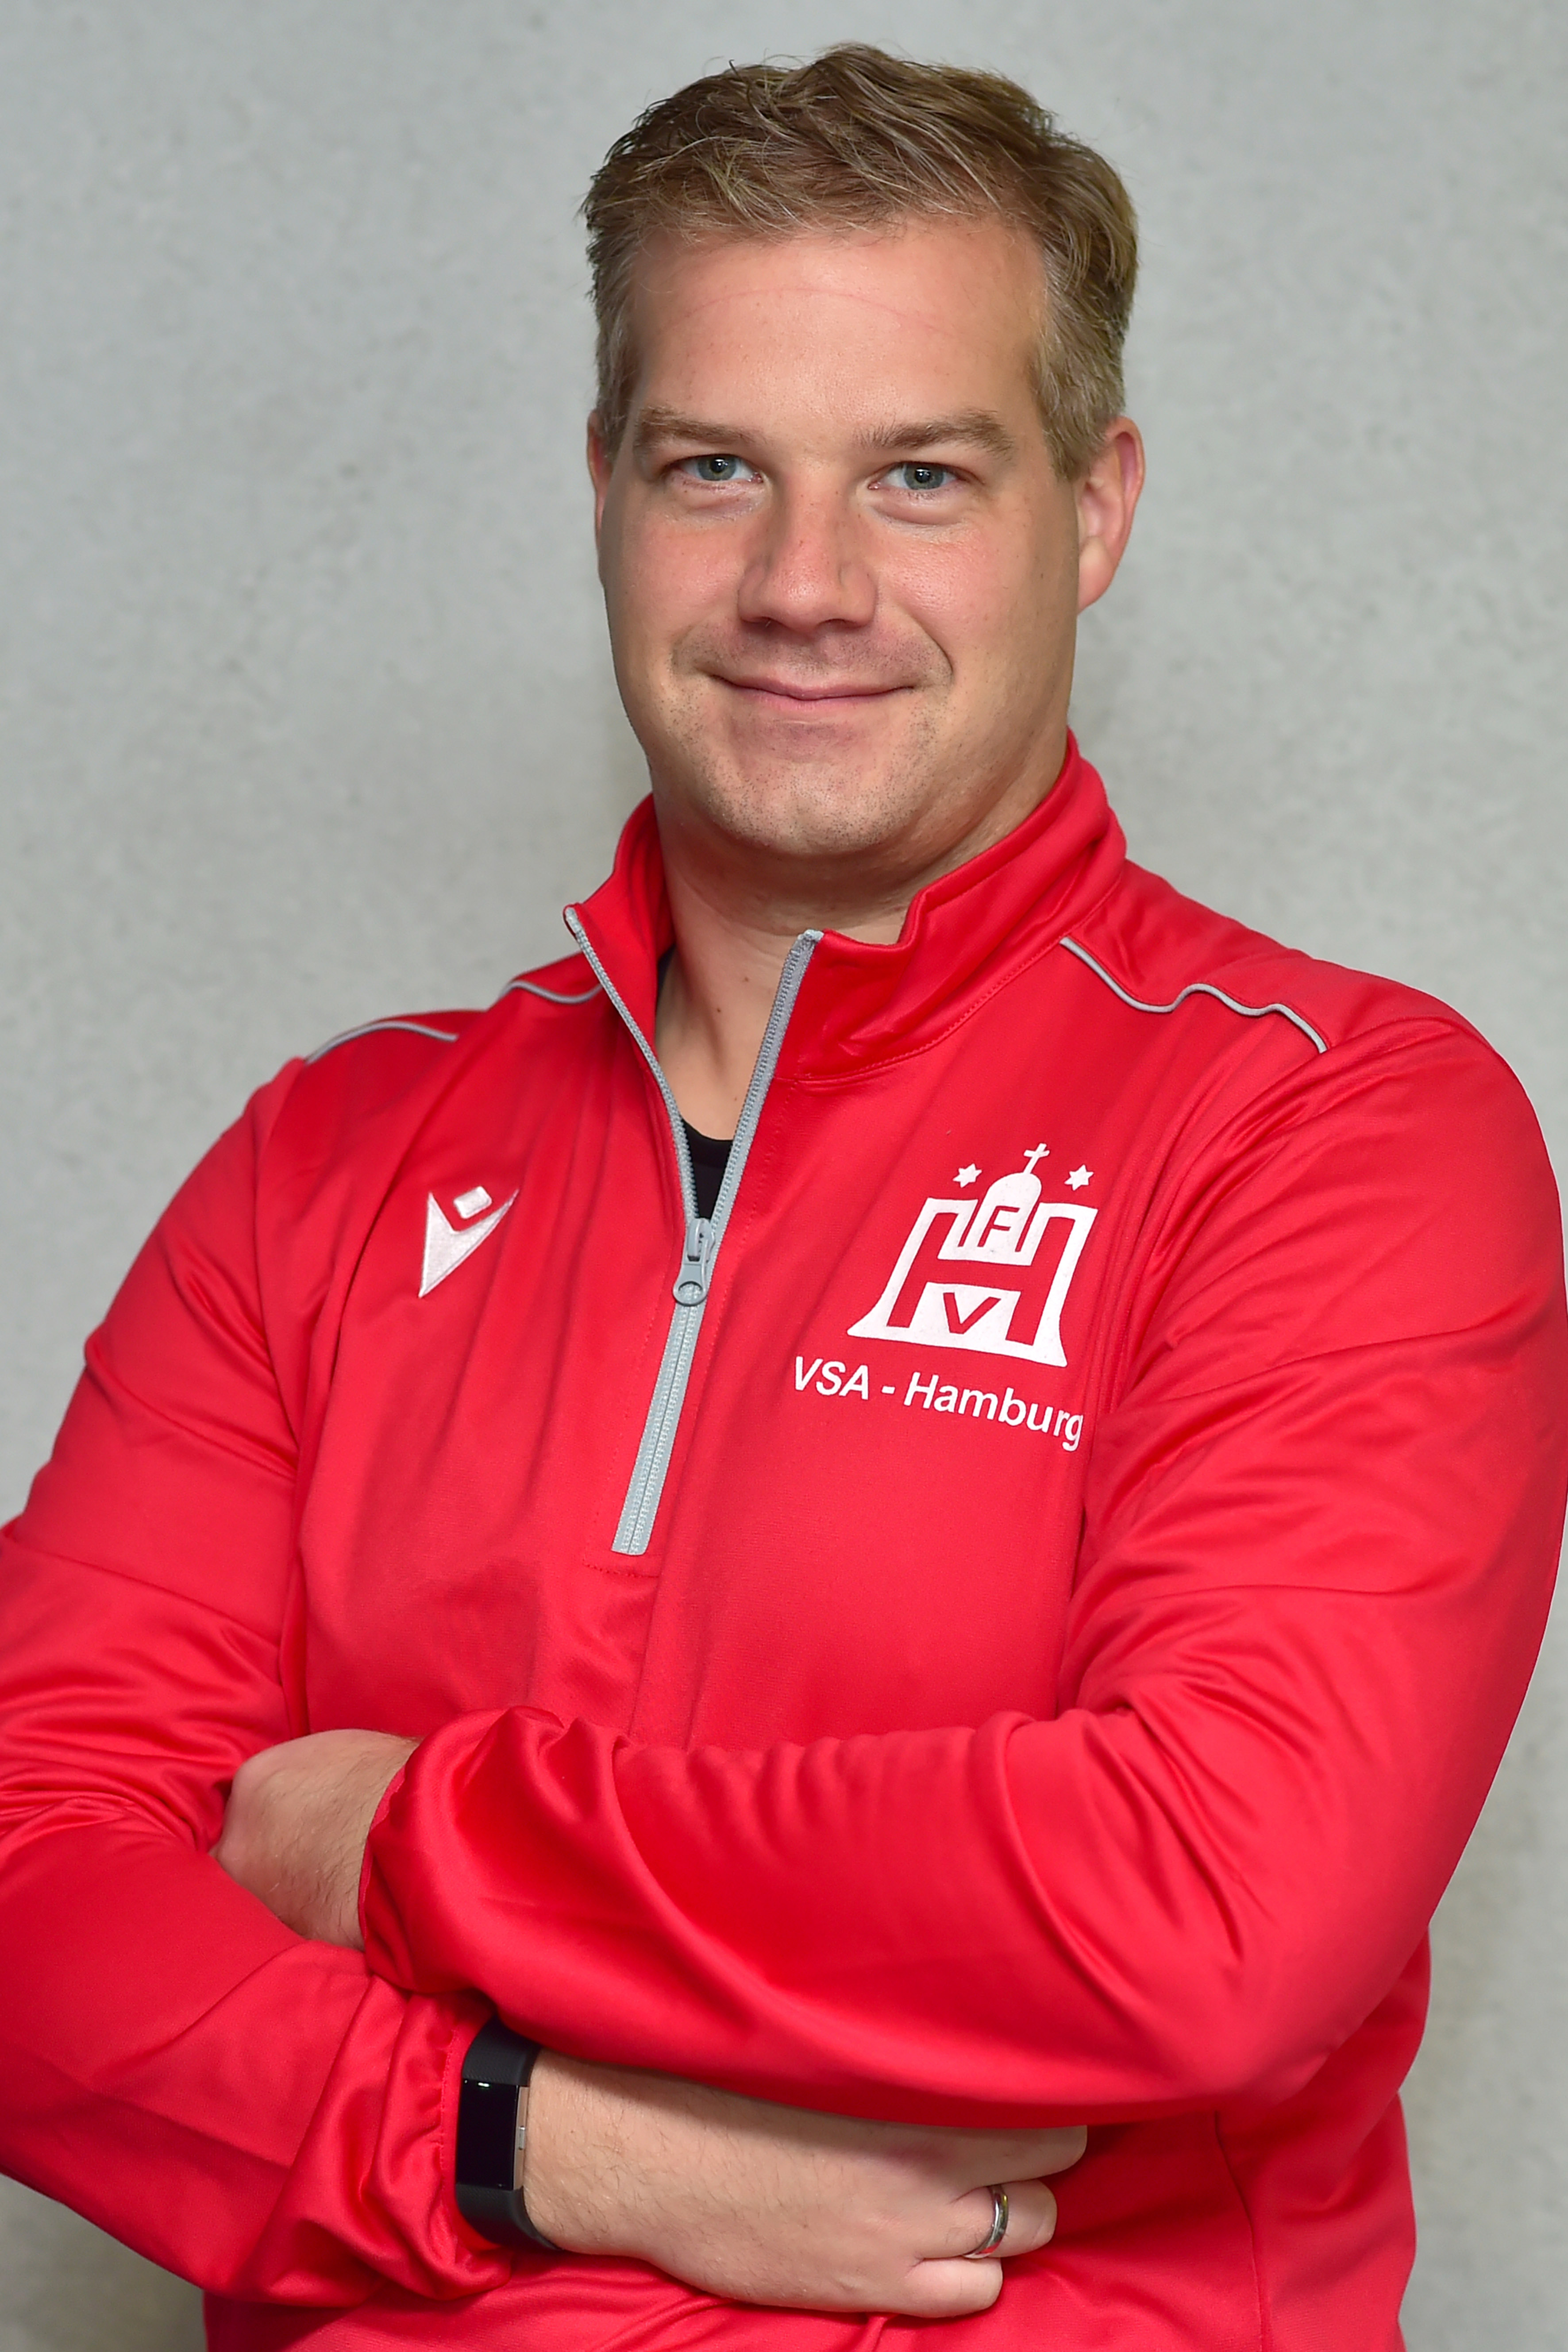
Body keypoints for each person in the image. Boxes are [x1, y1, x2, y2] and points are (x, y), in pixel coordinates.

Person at [0, 41, 1562, 2352]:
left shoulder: (1332, 1130)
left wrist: (412, 1837)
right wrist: (534, 2143)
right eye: (713, 467)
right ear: (604, 491)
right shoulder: (326, 1162)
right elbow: (29, 1887)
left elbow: (1208, 1900)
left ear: (1093, 509)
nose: (801, 584)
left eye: (919, 475)